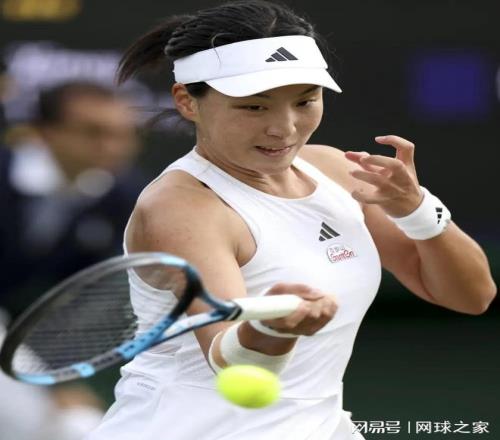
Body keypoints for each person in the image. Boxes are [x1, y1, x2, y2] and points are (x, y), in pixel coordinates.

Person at [85, 1, 497, 439]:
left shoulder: (335, 171)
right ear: (187, 101)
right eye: (253, 107)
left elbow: (471, 296)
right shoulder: (182, 207)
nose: (284, 128)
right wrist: (272, 327)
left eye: (305, 101)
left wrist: (418, 210)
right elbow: (231, 363)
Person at [0, 80, 145, 317]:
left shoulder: (128, 196)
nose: (114, 148)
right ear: (45, 131)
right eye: (93, 132)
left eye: (124, 135)